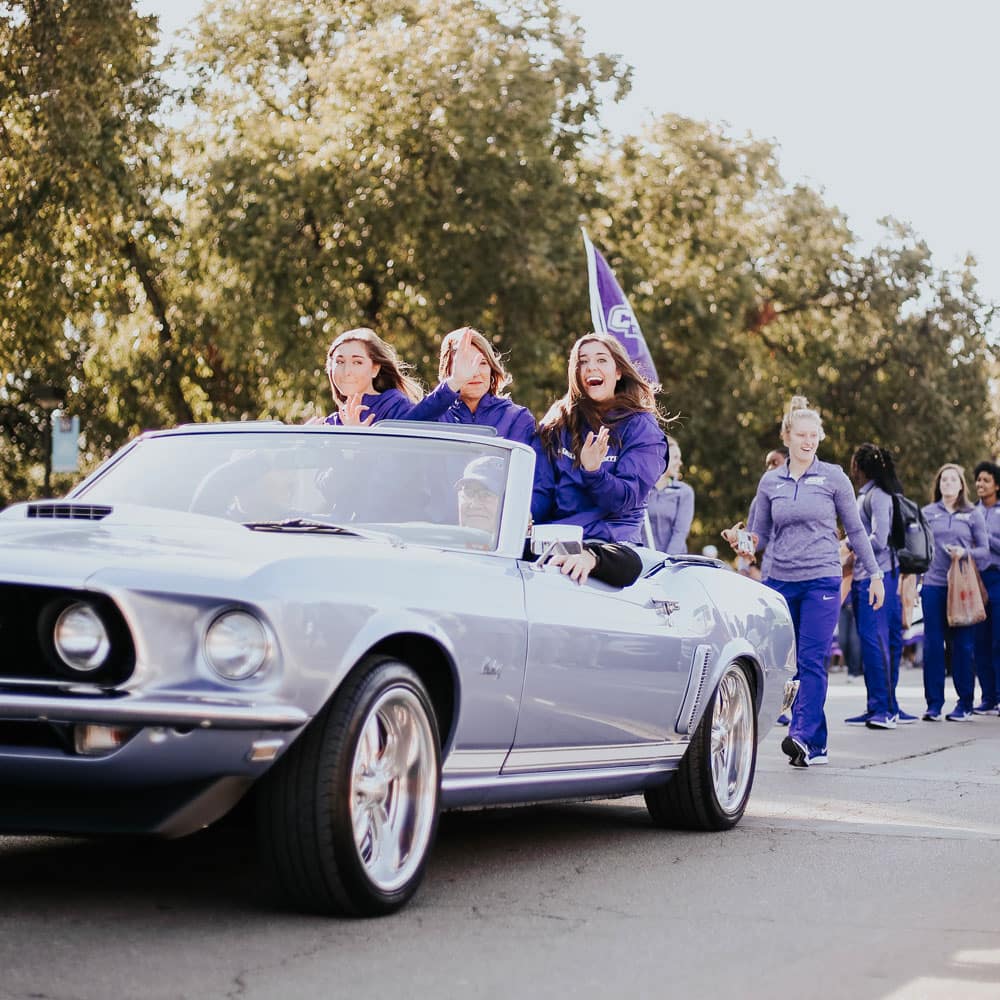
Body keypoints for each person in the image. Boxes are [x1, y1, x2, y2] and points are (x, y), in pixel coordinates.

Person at [739, 396, 885, 768]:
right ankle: (816, 743)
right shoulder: (771, 481)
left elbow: (855, 529)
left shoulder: (833, 477)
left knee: (812, 659)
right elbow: (759, 536)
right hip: (779, 581)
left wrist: (876, 574)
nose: (808, 441)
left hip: (821, 579)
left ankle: (800, 736)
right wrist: (739, 541)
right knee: (785, 663)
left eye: (814, 435)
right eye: (801, 435)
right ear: (786, 436)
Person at [531, 333, 666, 544]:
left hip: (610, 545)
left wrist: (594, 473)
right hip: (552, 542)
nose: (591, 367)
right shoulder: (556, 421)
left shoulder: (641, 426)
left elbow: (625, 500)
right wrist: (526, 516)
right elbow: (540, 490)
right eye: (583, 361)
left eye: (601, 360)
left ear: (619, 371)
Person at [457, 456, 642, 587]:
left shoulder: (529, 550)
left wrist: (590, 556)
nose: (474, 503)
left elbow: (630, 564)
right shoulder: (436, 542)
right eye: (468, 492)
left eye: (487, 494)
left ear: (512, 504)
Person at [843, 444, 916, 729]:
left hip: (878, 577)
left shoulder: (878, 496)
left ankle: (884, 710)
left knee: (876, 642)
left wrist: (848, 544)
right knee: (873, 642)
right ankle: (878, 704)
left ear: (860, 466)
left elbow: (880, 538)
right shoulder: (867, 495)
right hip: (866, 576)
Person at [920, 463, 989, 721]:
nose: (948, 483)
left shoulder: (973, 514)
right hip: (933, 585)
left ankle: (965, 704)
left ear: (961, 485)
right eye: (943, 480)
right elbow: (917, 547)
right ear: (938, 485)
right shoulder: (926, 513)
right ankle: (934, 704)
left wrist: (965, 553)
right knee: (933, 645)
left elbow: (984, 551)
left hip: (963, 588)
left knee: (962, 646)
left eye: (953, 479)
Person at [319, 327, 481, 426]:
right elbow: (323, 481)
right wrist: (305, 442)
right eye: (339, 362)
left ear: (375, 369)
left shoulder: (391, 404)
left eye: (357, 362)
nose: (347, 371)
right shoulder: (331, 422)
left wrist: (455, 382)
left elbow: (418, 419)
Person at [434, 328, 537, 445]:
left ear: (491, 369)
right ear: (447, 370)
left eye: (482, 363)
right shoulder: (435, 416)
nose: (475, 372)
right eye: (466, 364)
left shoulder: (517, 418)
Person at [973, 460, 1000, 714]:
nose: (980, 484)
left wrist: (983, 536)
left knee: (998, 640)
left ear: (996, 485)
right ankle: (988, 697)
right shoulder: (971, 511)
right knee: (979, 641)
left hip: (998, 578)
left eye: (986, 480)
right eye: (978, 480)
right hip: (975, 581)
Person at [646, 434, 695, 553]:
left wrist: (667, 562)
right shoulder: (642, 490)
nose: (680, 463)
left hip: (671, 564)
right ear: (662, 457)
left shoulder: (684, 492)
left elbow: (680, 533)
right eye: (675, 457)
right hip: (643, 562)